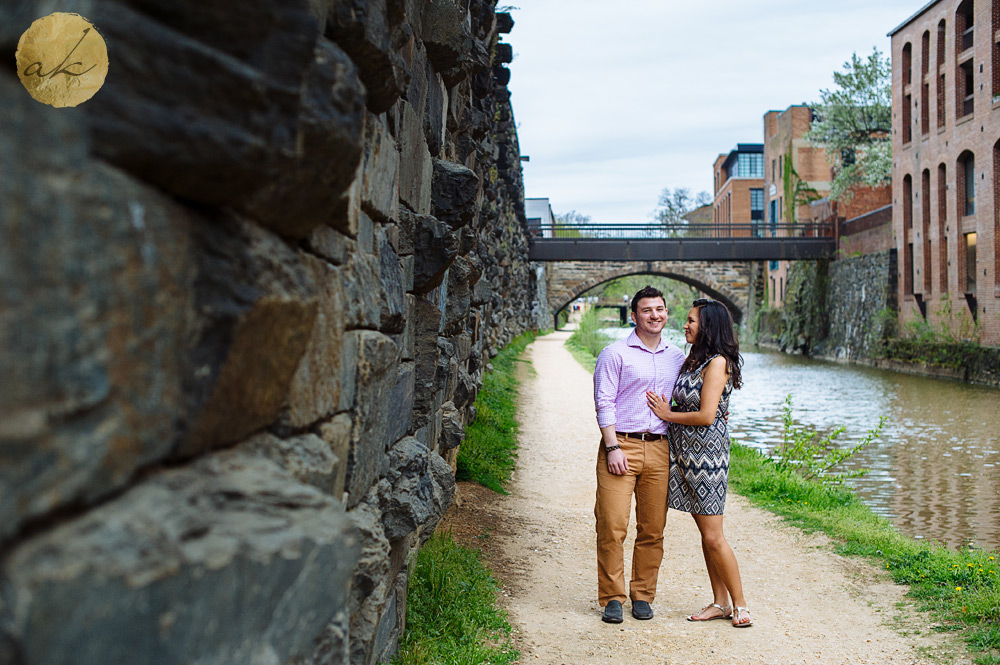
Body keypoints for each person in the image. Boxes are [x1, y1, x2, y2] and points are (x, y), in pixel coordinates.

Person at [646, 298, 752, 628]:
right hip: (685, 455)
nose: (685, 325)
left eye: (691, 321)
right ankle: (720, 602)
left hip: (707, 457)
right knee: (706, 535)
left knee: (714, 536)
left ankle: (740, 605)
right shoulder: (694, 359)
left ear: (707, 326)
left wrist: (668, 414)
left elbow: (707, 415)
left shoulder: (718, 362)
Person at [593, 285, 685, 623]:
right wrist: (612, 446)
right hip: (621, 446)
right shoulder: (614, 353)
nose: (655, 315)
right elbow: (604, 402)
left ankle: (643, 595)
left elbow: (694, 393)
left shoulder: (677, 356)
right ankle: (613, 598)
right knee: (612, 524)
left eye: (660, 309)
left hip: (661, 449)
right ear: (634, 316)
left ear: (666, 313)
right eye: (647, 310)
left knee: (652, 529)